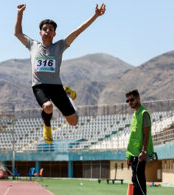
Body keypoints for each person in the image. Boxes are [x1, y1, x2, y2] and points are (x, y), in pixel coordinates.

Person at [14, 3, 106, 144]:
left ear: (54, 33)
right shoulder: (33, 45)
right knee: (48, 107)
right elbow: (18, 33)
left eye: (50, 29)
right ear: (40, 32)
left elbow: (78, 31)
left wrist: (95, 15)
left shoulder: (60, 46)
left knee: (74, 122)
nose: (47, 31)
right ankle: (47, 125)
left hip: (56, 86)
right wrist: (20, 13)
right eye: (44, 29)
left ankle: (67, 94)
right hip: (39, 86)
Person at [120, 89, 154, 195]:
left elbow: (146, 135)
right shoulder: (135, 114)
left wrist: (144, 152)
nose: (129, 102)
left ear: (138, 98)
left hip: (141, 154)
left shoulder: (144, 113)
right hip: (134, 154)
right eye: (127, 100)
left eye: (132, 99)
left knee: (138, 179)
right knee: (138, 179)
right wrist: (129, 155)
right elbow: (133, 137)